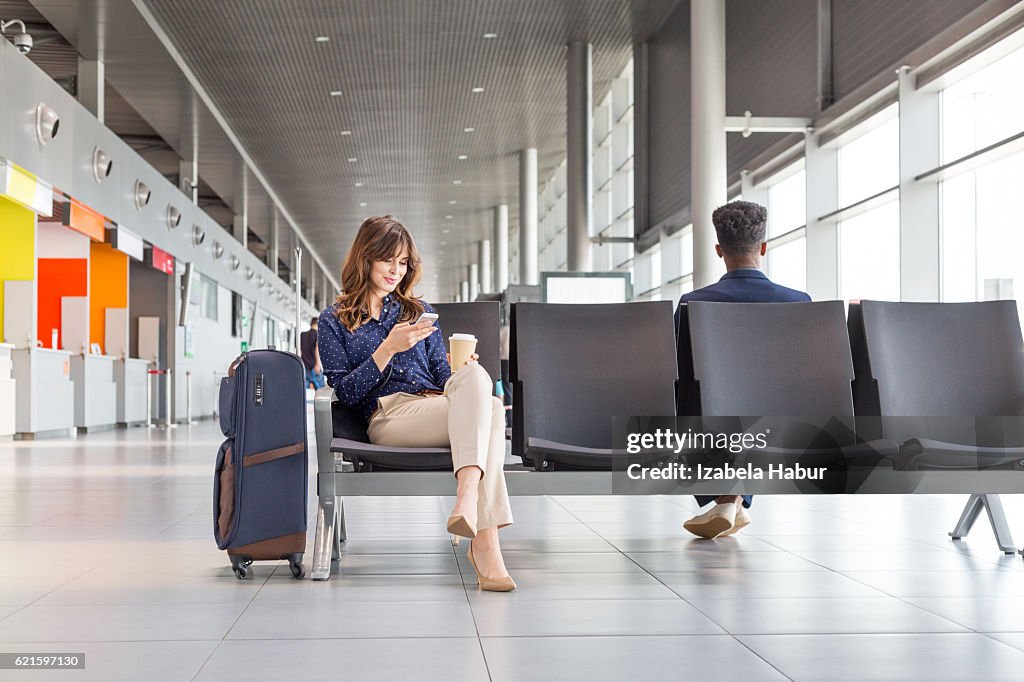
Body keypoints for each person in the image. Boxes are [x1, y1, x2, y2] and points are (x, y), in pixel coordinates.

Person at [318, 215, 515, 591]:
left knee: (478, 382)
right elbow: (344, 393)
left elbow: (443, 375)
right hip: (387, 416)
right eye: (388, 259)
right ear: (366, 258)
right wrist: (387, 349)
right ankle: (483, 540)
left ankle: (468, 501)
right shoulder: (334, 319)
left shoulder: (417, 312)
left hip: (435, 408)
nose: (396, 270)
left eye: (403, 261)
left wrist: (463, 372)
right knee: (488, 410)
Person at [677, 200, 810, 539]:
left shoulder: (692, 304)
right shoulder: (799, 303)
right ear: (763, 247)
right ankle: (733, 499)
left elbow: (679, 376)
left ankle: (728, 497)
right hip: (787, 427)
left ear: (719, 250)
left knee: (713, 410)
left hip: (712, 428)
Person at [299, 317, 326, 389]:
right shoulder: (318, 335)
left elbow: (299, 351)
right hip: (314, 367)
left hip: (304, 366)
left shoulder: (302, 335)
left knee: (305, 391)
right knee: (322, 391)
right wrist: (317, 364)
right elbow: (317, 349)